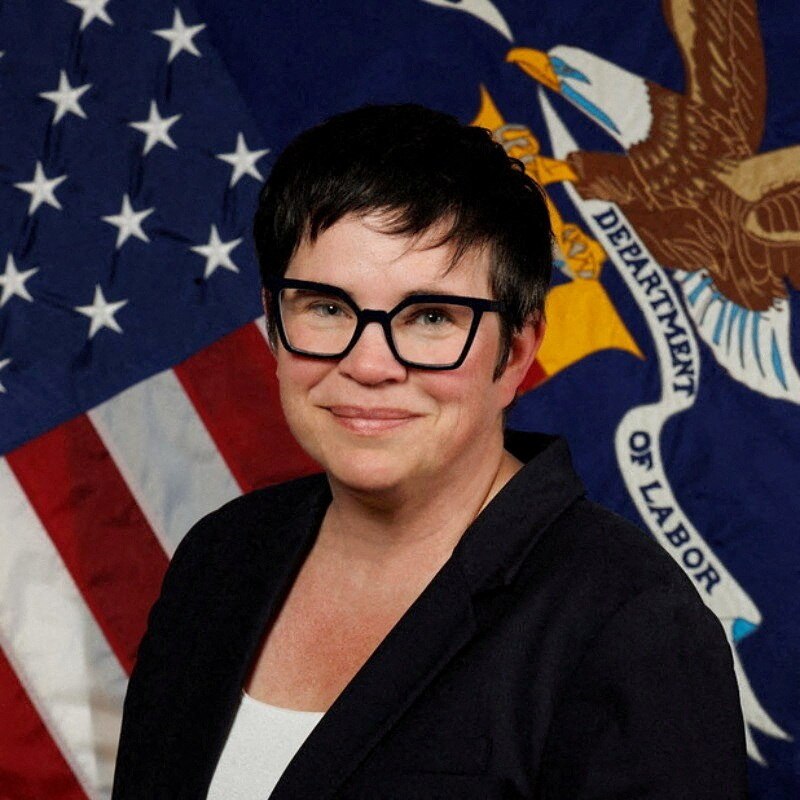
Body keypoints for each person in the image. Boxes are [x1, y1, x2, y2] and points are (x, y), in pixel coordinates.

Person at [112, 104, 747, 799]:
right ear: (273, 324)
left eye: (431, 317)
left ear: (516, 353)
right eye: (326, 307)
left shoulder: (631, 626)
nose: (371, 363)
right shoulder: (220, 558)